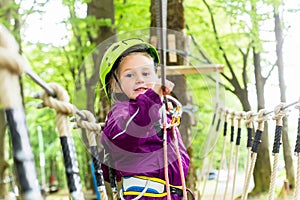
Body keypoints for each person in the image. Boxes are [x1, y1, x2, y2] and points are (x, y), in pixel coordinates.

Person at [99, 38, 190, 199]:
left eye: (146, 73)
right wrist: (151, 100)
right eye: (129, 75)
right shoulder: (121, 112)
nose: (140, 79)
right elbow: (127, 135)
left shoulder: (161, 113)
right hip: (144, 194)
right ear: (115, 83)